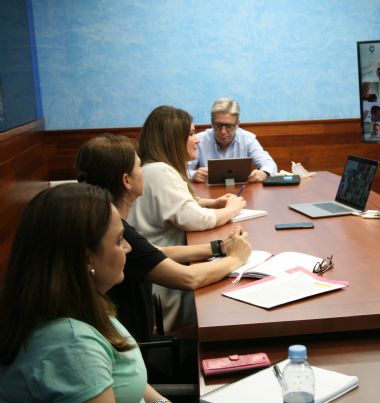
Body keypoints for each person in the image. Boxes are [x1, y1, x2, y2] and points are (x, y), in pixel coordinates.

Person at [0, 183, 199, 403]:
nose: (128, 247)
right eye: (118, 240)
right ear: (86, 259)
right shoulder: (70, 346)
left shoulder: (77, 303)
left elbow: (120, 379)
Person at [76, 133, 252, 342]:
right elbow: (190, 278)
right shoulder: (112, 230)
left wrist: (218, 247)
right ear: (126, 181)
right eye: (140, 167)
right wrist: (235, 259)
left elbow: (154, 251)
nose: (145, 172)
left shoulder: (101, 220)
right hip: (135, 348)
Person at [129, 105, 246, 333]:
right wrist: (233, 207)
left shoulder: (157, 168)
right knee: (224, 301)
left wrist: (210, 202)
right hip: (165, 286)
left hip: (163, 267)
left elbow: (178, 205)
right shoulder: (160, 171)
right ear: (173, 138)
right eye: (192, 134)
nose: (198, 140)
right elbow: (198, 220)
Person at [188, 98, 277, 183]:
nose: (223, 132)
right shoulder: (198, 140)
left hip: (243, 193)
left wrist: (263, 173)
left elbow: (269, 164)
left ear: (237, 124)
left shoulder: (247, 139)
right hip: (207, 194)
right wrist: (193, 175)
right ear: (212, 122)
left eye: (229, 126)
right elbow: (182, 170)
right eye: (218, 125)